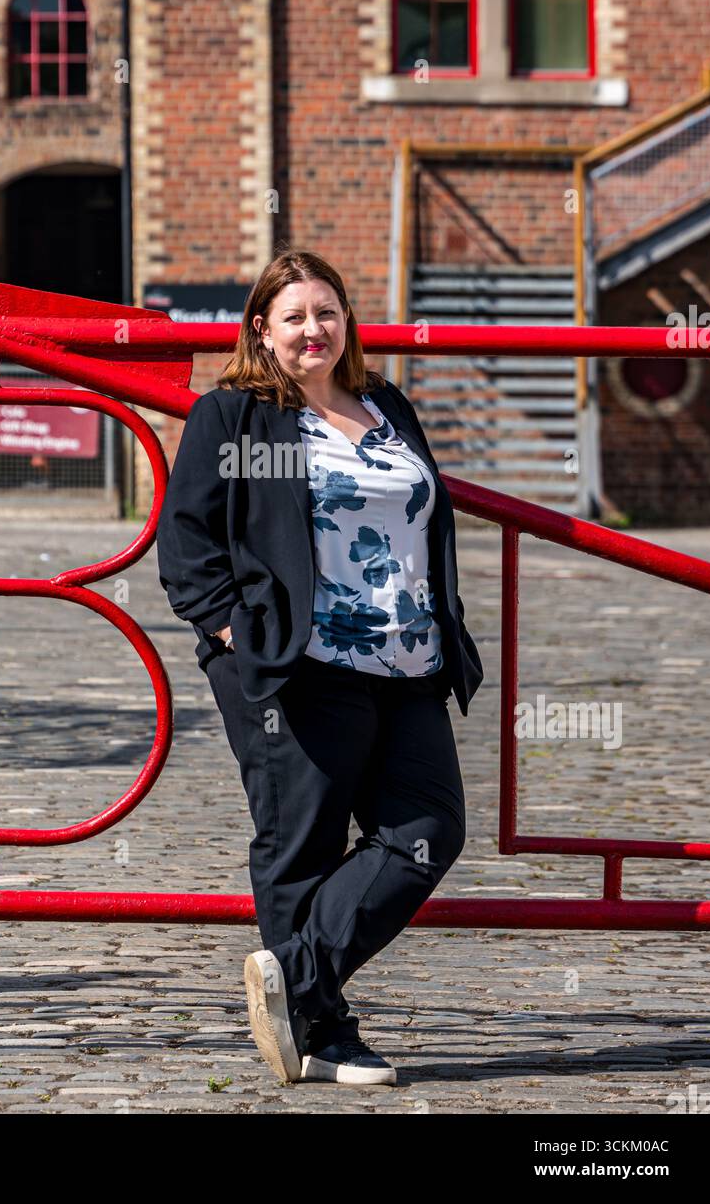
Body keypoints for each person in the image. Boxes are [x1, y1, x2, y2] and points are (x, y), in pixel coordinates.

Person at [156, 248, 483, 1086]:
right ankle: (325, 1035)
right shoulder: (234, 415)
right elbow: (187, 541)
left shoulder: (385, 405)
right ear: (260, 328)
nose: (313, 329)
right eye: (294, 315)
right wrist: (233, 632)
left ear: (347, 322)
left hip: (407, 660)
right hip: (295, 664)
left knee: (427, 832)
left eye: (327, 312)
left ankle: (292, 980)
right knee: (300, 844)